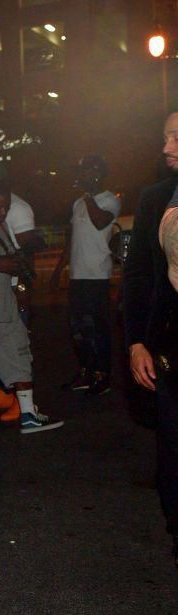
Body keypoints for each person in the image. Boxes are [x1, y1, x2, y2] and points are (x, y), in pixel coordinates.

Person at [123, 112, 178, 567]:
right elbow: (139, 274)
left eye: (176, 137)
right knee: (174, 448)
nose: (166, 147)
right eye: (164, 137)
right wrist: (137, 341)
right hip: (171, 349)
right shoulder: (156, 198)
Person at [0, 181, 63, 433]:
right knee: (16, 356)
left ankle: (23, 411)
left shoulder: (0, 226)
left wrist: (18, 284)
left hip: (6, 302)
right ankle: (27, 415)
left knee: (13, 356)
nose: (2, 212)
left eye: (6, 207)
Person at [51, 155, 121, 396]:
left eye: (85, 171)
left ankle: (103, 376)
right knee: (78, 329)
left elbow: (100, 222)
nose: (80, 176)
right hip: (78, 276)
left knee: (98, 328)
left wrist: (88, 195)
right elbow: (71, 240)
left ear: (97, 174)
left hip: (97, 275)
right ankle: (86, 372)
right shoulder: (78, 203)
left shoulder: (110, 200)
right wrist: (59, 269)